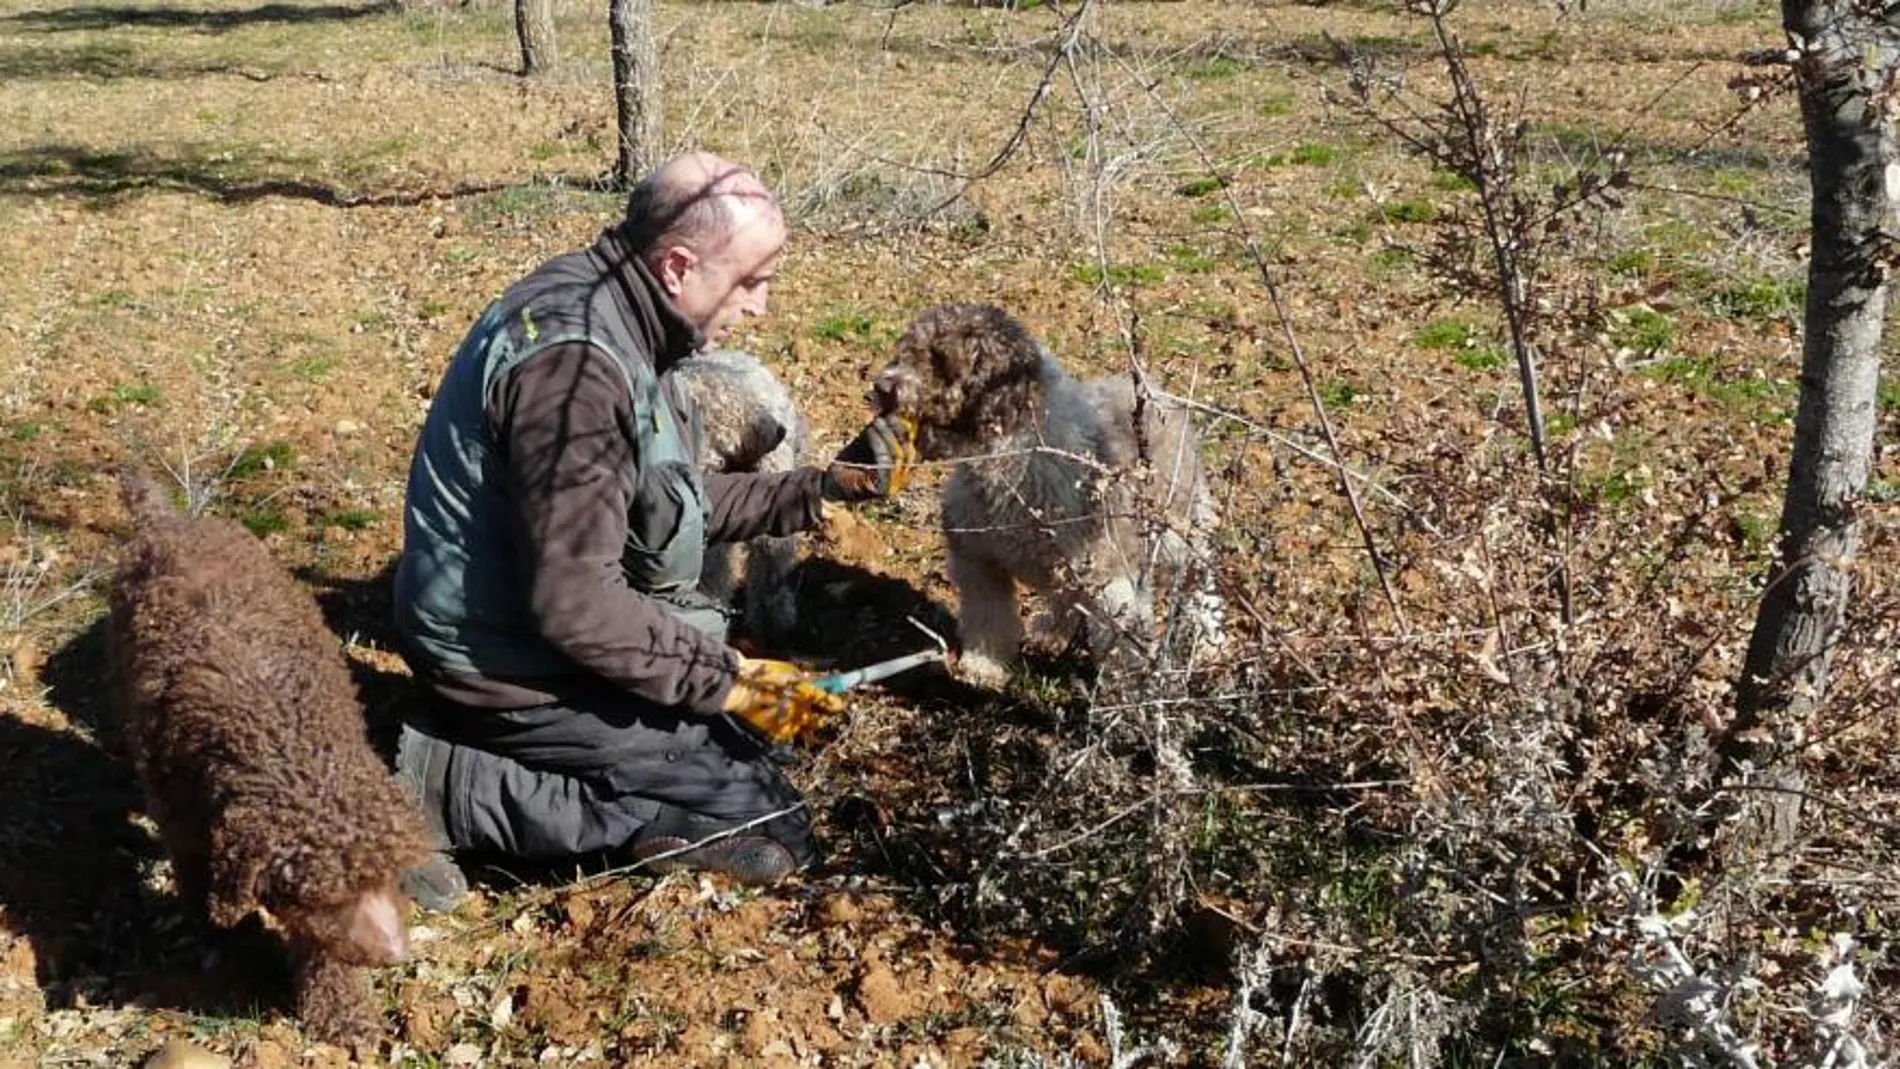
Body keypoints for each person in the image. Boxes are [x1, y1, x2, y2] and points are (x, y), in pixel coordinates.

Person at [389, 152, 915, 906]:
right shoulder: (574, 373)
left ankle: (480, 757)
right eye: (750, 283)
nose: (761, 308)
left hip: (520, 633)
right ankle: (445, 785)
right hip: (507, 665)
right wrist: (729, 681)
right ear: (677, 266)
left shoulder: (607, 303)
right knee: (768, 823)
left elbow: (662, 506)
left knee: (749, 745)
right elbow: (577, 605)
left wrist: (823, 487)